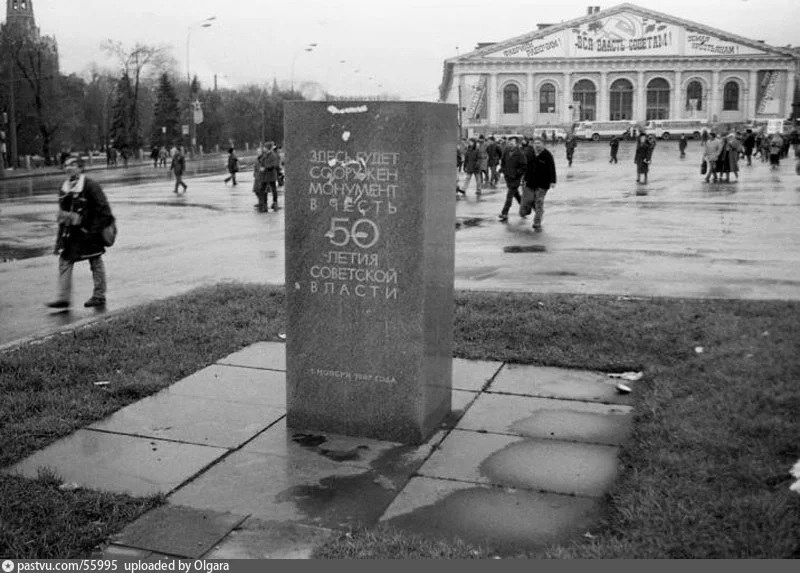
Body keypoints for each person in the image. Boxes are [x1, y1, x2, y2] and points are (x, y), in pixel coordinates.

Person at [46, 155, 114, 309]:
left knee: (95, 261)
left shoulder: (90, 186)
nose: (69, 167)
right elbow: (64, 213)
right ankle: (63, 298)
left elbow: (104, 211)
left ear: (80, 168)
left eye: (73, 164)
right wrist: (61, 235)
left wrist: (92, 230)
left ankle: (99, 295)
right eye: (66, 165)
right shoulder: (63, 188)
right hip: (71, 235)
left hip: (90, 233)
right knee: (64, 261)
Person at [520, 136, 556, 232]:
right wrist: (524, 178)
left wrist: (553, 181)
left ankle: (537, 222)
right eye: (535, 143)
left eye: (539, 143)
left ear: (543, 144)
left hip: (542, 183)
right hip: (531, 182)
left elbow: (552, 168)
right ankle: (531, 212)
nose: (537, 145)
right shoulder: (530, 153)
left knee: (539, 202)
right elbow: (527, 167)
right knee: (528, 200)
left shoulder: (547, 155)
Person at [497, 136, 527, 222]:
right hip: (508, 177)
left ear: (516, 144)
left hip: (515, 178)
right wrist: (503, 170)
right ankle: (524, 209)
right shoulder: (506, 151)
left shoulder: (520, 153)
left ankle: (504, 213)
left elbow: (524, 167)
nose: (510, 144)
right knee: (516, 194)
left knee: (509, 195)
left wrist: (516, 173)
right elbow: (503, 162)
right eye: (509, 143)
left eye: (512, 143)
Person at [262, 141, 281, 211]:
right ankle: (265, 203)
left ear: (268, 148)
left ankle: (275, 202)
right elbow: (262, 161)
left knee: (273, 189)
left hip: (271, 175)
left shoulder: (273, 155)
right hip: (265, 175)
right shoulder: (265, 155)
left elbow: (274, 165)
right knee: (265, 190)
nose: (263, 148)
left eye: (265, 147)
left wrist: (265, 167)